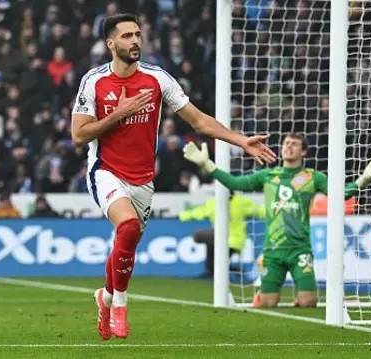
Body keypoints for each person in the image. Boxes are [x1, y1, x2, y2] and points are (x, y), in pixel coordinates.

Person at [70, 13, 276, 340]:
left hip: (143, 180)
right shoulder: (94, 82)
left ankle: (105, 296)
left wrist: (239, 139)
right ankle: (120, 305)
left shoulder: (157, 79)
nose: (135, 40)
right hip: (105, 170)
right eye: (126, 36)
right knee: (127, 226)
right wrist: (120, 113)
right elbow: (79, 135)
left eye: (137, 34)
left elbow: (199, 122)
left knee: (128, 241)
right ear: (111, 44)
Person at [183, 133, 371, 308]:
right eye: (286, 143)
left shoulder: (312, 178)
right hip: (272, 251)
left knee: (308, 303)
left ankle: (299, 299)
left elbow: (339, 194)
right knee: (268, 304)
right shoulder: (268, 175)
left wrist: (362, 180)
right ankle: (263, 295)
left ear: (304, 152)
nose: (288, 146)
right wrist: (207, 165)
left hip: (300, 250)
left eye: (294, 144)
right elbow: (234, 183)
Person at [178, 191, 265, 278]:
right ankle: (224, 268)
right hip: (236, 241)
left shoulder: (214, 202)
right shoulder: (242, 201)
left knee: (201, 235)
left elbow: (199, 212)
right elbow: (260, 211)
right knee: (211, 240)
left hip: (227, 240)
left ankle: (215, 270)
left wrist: (182, 215)